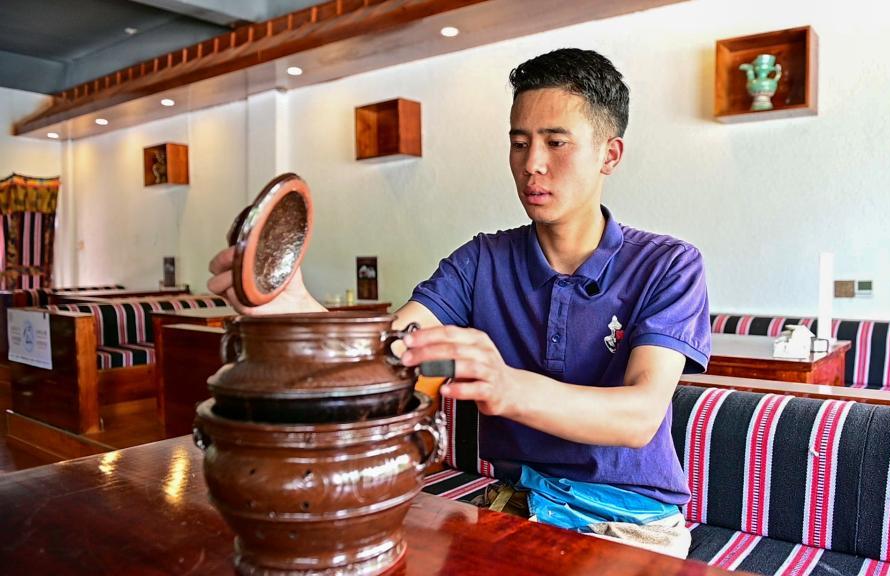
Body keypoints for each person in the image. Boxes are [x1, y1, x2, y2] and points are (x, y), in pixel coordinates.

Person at [207, 48, 710, 558]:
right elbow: (389, 352)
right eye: (519, 143)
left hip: (629, 522)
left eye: (556, 143)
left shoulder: (669, 264)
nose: (532, 164)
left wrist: (506, 385)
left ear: (610, 155)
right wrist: (291, 309)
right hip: (519, 506)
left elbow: (638, 416)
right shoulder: (481, 260)